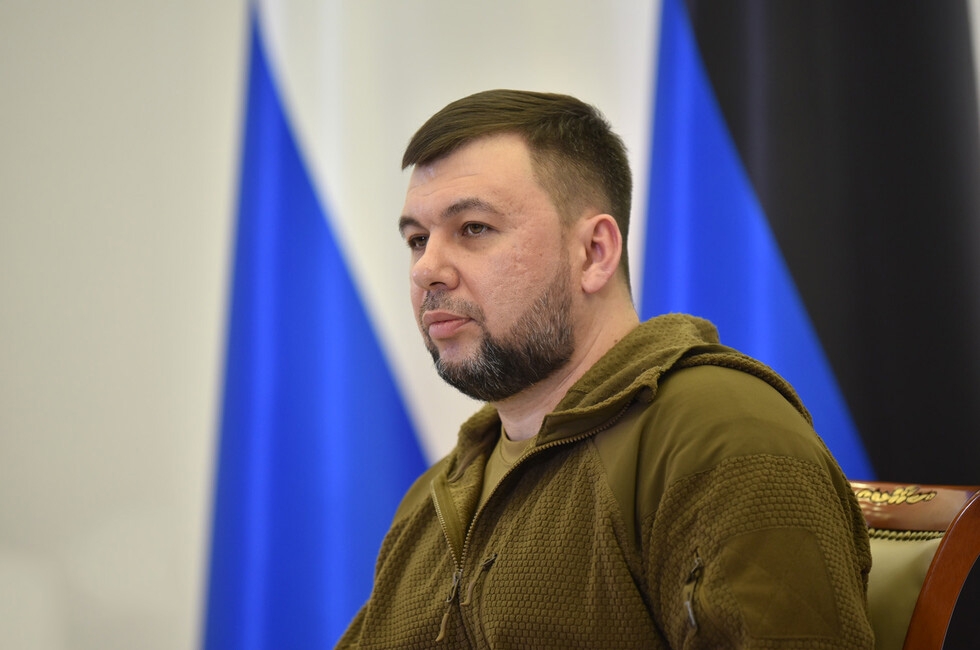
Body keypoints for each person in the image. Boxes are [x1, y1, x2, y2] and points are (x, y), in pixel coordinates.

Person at [337, 89, 873, 648]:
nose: (426, 269)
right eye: (417, 240)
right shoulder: (433, 498)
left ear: (594, 252)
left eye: (473, 228)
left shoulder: (722, 434)